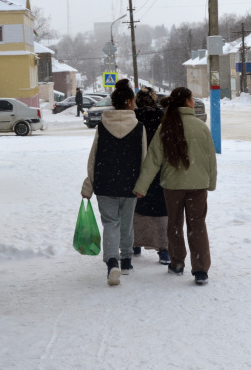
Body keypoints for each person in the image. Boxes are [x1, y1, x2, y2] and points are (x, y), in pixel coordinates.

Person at [133, 87, 217, 286]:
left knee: (175, 224)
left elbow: (153, 159)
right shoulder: (201, 127)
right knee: (197, 225)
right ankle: (201, 270)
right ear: (187, 102)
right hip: (198, 185)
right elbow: (210, 159)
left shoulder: (165, 127)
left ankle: (177, 263)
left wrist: (141, 186)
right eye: (192, 98)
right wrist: (211, 183)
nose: (194, 101)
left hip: (172, 186)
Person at [81, 79, 146, 286]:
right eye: (134, 100)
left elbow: (94, 158)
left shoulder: (102, 126)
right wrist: (142, 185)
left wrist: (89, 184)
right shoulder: (139, 127)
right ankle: (126, 260)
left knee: (111, 223)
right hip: (130, 183)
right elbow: (143, 158)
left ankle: (112, 262)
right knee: (126, 223)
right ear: (128, 102)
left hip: (105, 182)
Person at [132, 87, 170, 265]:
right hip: (159, 172)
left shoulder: (133, 119)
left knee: (136, 210)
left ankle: (135, 244)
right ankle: (164, 251)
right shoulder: (163, 119)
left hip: (137, 171)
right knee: (161, 212)